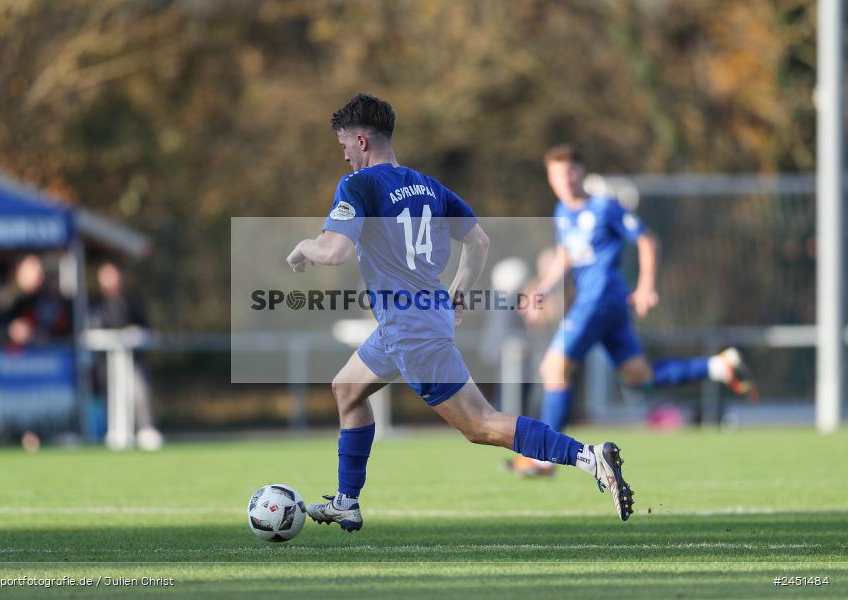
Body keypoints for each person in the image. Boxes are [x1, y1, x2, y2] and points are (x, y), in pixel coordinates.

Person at [286, 94, 635, 531]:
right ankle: (346, 501)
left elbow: (334, 251)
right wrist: (459, 291)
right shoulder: (428, 185)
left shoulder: (357, 186)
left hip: (409, 329)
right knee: (347, 389)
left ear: (360, 140)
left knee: (480, 424)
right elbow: (479, 241)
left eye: (343, 145)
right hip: (415, 318)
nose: (343, 154)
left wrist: (304, 248)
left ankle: (588, 456)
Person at [512, 144, 756, 476]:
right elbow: (565, 257)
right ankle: (717, 366)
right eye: (557, 174)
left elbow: (647, 240)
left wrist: (646, 286)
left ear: (581, 172)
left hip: (602, 299)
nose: (565, 180)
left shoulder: (604, 207)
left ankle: (544, 458)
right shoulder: (561, 213)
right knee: (639, 377)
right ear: (550, 178)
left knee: (554, 367)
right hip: (603, 305)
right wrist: (542, 288)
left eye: (570, 171)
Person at [89, 261, 162, 451]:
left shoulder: (132, 301)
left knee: (139, 387)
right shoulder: (96, 304)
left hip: (133, 360)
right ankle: (112, 431)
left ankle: (146, 428)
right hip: (105, 363)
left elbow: (144, 328)